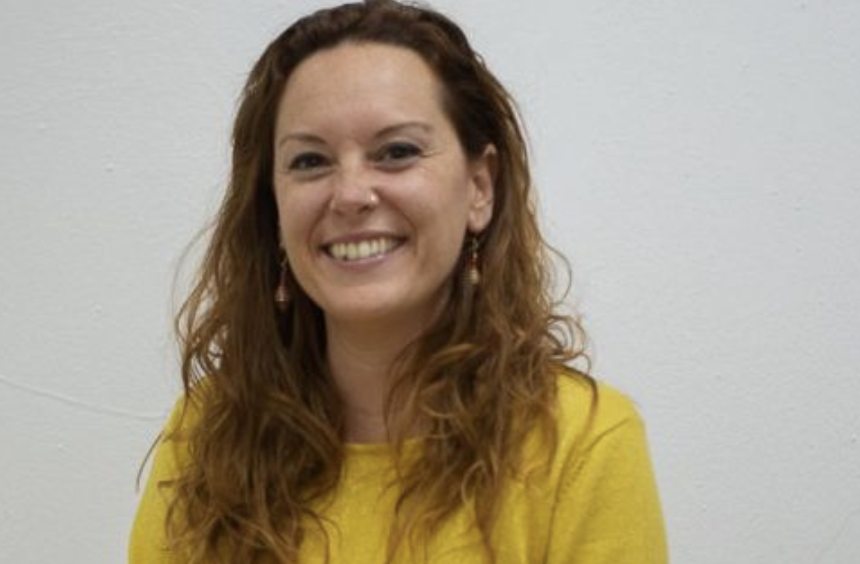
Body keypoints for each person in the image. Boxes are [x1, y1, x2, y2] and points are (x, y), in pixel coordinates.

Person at [129, 0, 667, 562]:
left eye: (397, 152)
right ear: (274, 206)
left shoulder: (583, 443)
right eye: (310, 161)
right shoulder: (205, 436)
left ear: (480, 188)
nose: (351, 194)